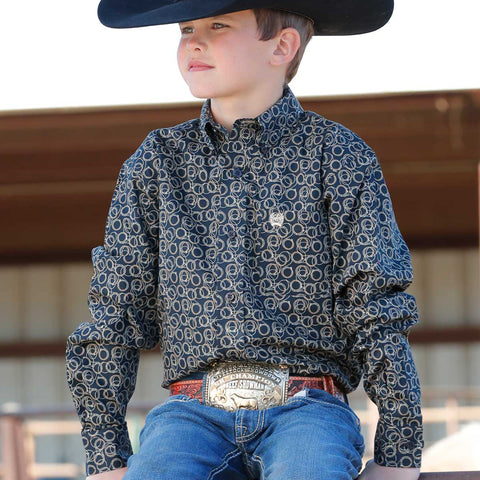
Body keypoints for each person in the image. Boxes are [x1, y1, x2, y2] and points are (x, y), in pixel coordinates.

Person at [66, 1, 423, 479]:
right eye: (187, 27)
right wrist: (106, 456)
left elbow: (376, 308)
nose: (194, 40)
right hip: (190, 413)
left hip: (308, 409)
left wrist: (399, 454)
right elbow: (115, 312)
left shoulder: (338, 156)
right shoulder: (155, 164)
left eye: (218, 25)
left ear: (282, 46)